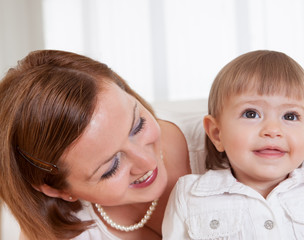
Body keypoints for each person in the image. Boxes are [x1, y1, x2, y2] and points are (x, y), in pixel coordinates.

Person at [0, 50, 207, 240]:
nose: (146, 162)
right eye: (111, 167)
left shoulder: (223, 148)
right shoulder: (54, 233)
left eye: (138, 126)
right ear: (58, 189)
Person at [162, 50, 304, 239]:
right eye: (251, 114)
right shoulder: (190, 196)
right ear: (217, 133)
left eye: (290, 116)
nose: (273, 130)